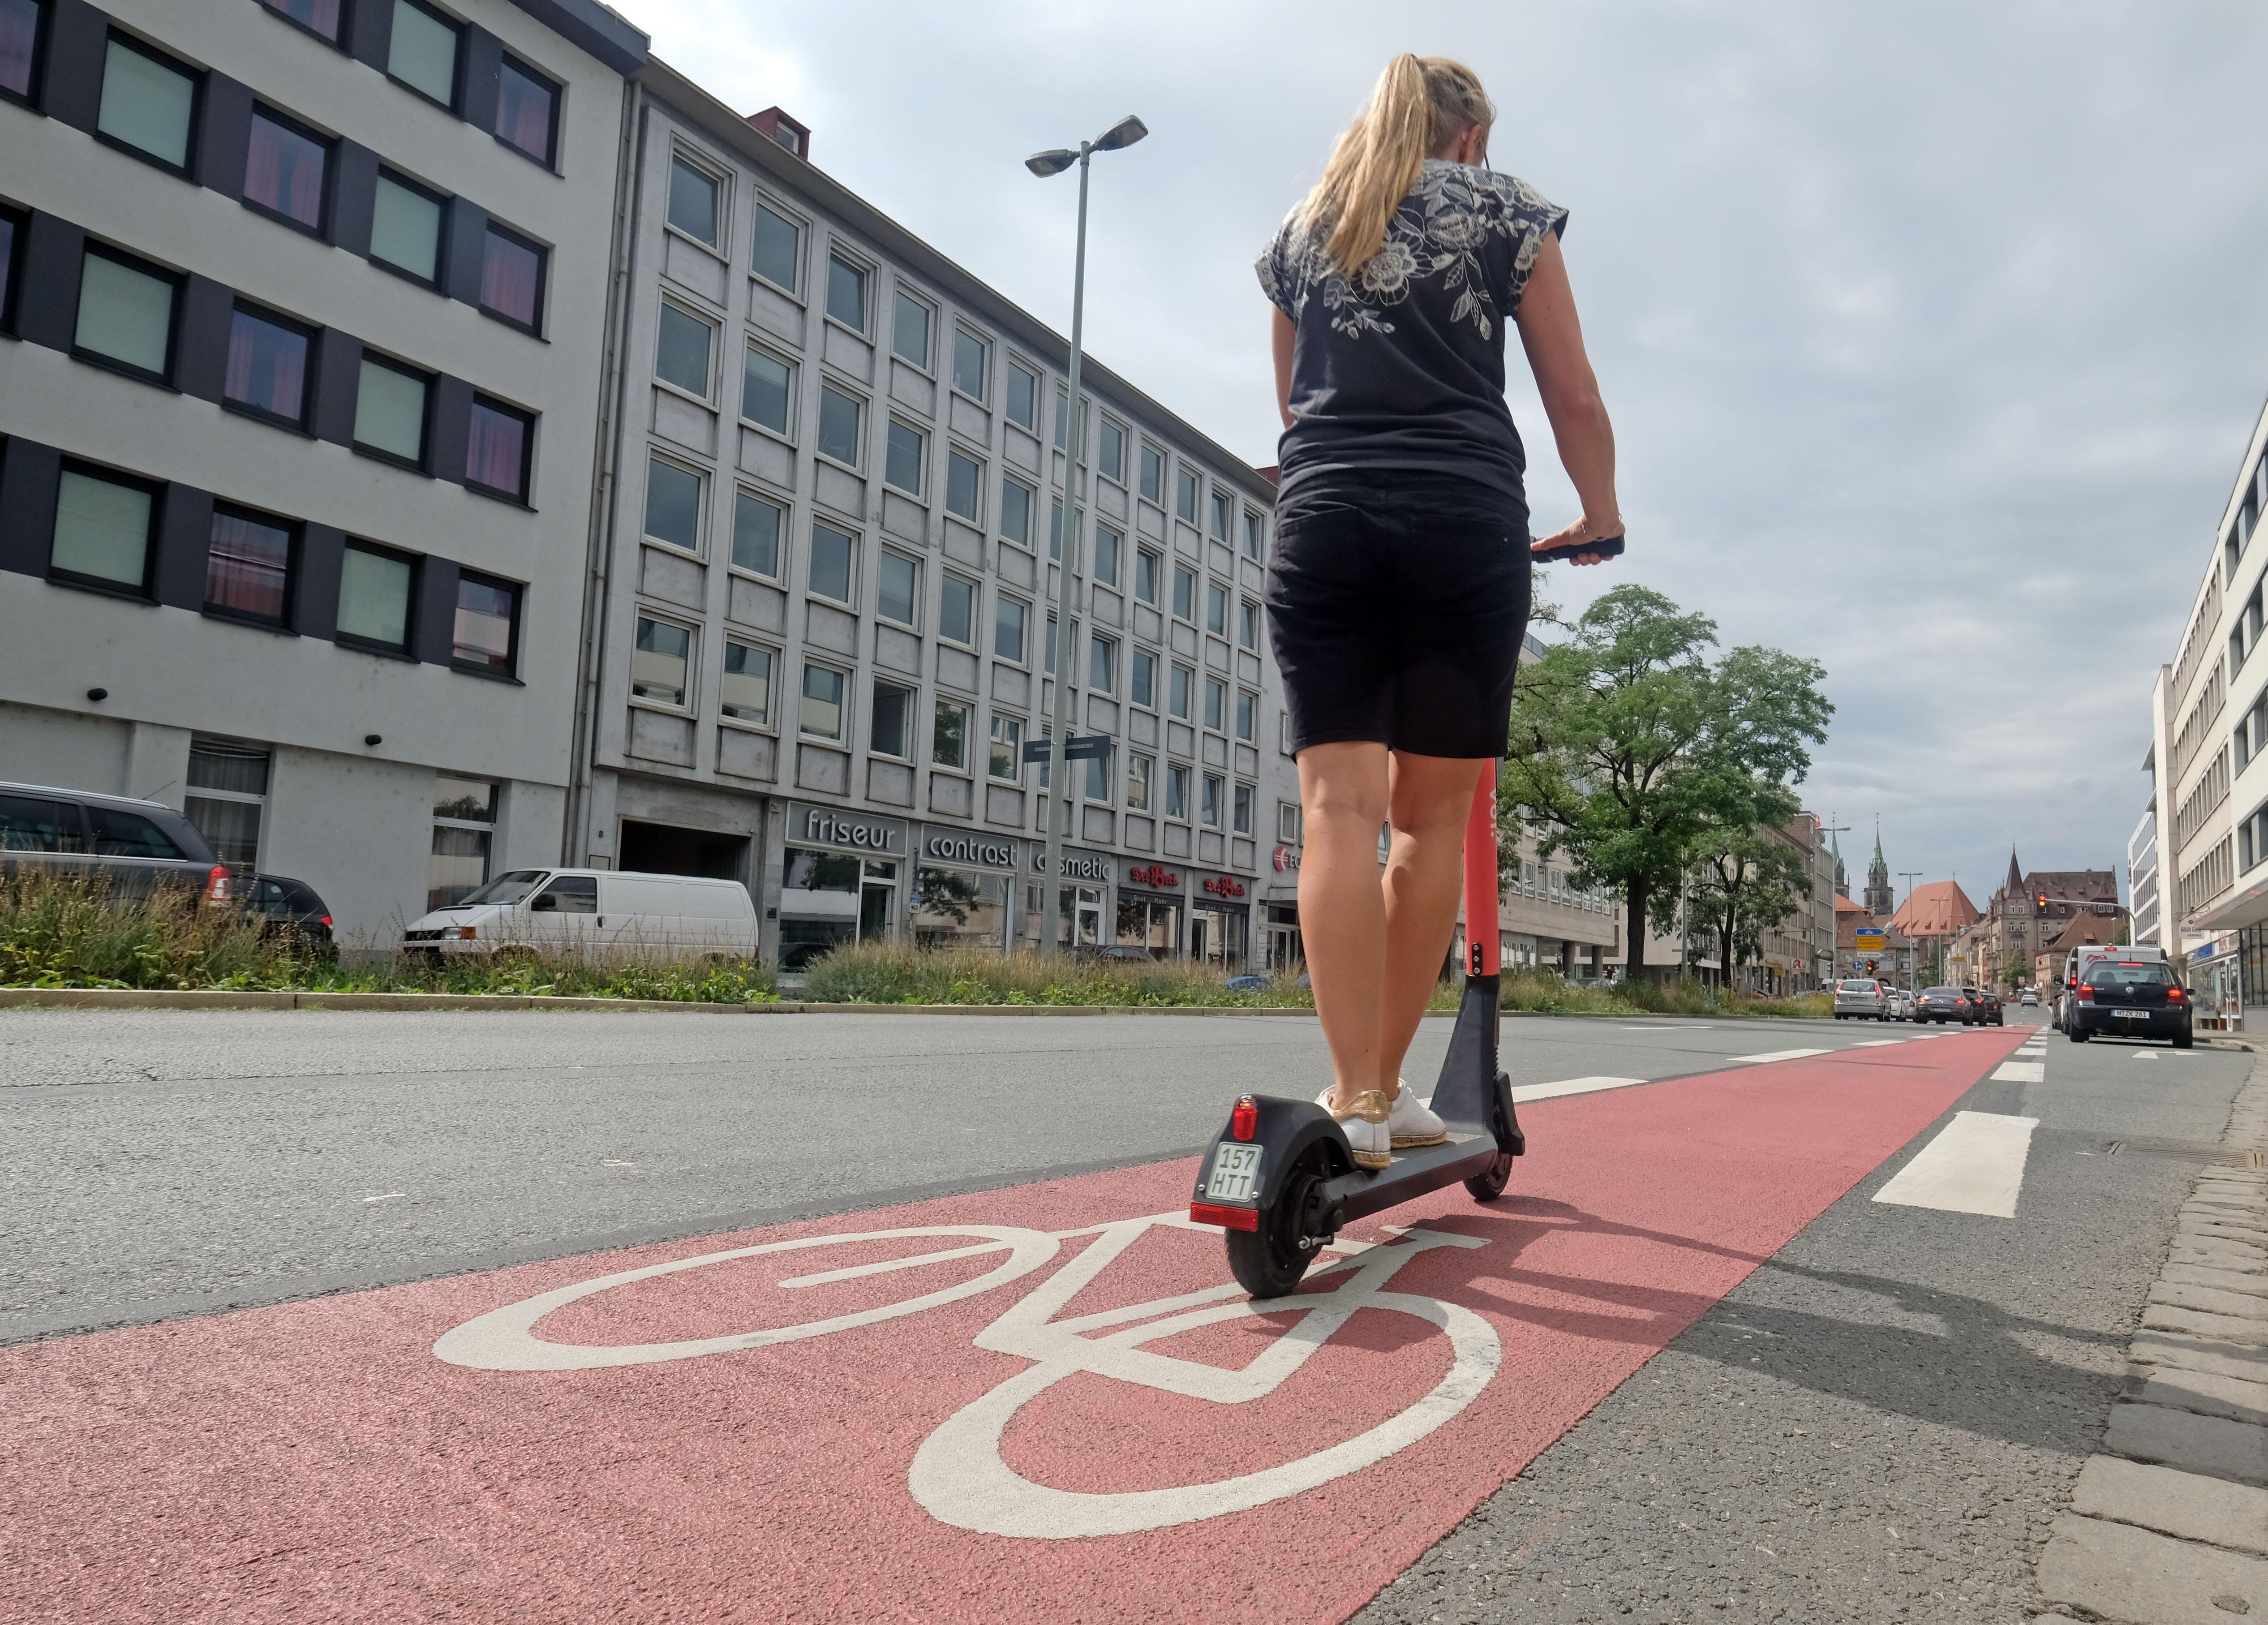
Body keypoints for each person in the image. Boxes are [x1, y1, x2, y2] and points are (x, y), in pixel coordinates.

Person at [1256, 54, 1620, 1169]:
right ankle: (1380, 1084)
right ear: (1469, 135)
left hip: (1323, 518)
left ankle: (1359, 1091)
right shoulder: (1506, 209)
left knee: (1336, 809)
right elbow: (1572, 393)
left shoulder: (1305, 228)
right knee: (1427, 821)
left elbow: (1293, 408)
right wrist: (1600, 510)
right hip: (1462, 520)